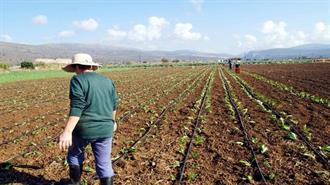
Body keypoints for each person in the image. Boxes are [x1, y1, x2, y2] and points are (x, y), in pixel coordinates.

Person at [58, 53, 118, 185]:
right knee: (104, 162)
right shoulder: (107, 81)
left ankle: (76, 183)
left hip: (84, 129)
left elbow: (77, 106)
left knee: (74, 155)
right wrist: (112, 121)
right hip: (105, 128)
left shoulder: (77, 80)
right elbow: (114, 105)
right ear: (91, 66)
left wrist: (67, 132)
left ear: (76, 67)